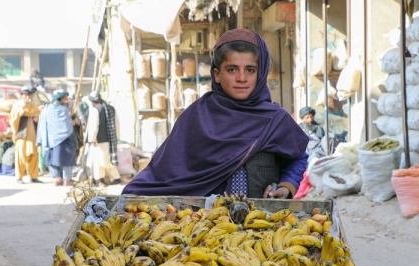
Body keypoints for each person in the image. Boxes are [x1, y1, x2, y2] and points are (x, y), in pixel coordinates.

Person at [123, 29, 308, 199]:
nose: (241, 78)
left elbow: (298, 156)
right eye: (232, 69)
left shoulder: (275, 119)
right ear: (217, 74)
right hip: (204, 224)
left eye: (250, 70)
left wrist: (285, 187)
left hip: (261, 223)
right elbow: (165, 172)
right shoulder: (196, 116)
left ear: (260, 74)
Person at [36, 91, 78, 186]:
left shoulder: (46, 110)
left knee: (52, 160)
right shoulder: (64, 110)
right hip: (66, 138)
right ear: (61, 100)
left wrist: (40, 140)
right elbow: (68, 125)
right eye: (66, 99)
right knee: (67, 160)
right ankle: (67, 180)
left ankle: (57, 178)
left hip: (51, 140)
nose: (67, 101)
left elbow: (42, 125)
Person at [85, 90, 122, 187]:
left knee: (98, 161)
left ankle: (100, 180)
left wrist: (92, 139)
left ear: (92, 101)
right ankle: (116, 178)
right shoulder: (111, 108)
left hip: (99, 140)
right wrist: (117, 137)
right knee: (109, 160)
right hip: (111, 140)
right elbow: (117, 123)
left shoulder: (95, 110)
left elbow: (94, 126)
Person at [9, 86, 42, 184]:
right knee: (21, 156)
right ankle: (19, 177)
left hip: (32, 135)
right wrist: (22, 109)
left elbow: (37, 113)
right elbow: (13, 118)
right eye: (25, 94)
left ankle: (33, 176)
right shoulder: (18, 105)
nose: (27, 97)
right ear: (22, 95)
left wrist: (36, 117)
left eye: (29, 94)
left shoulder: (33, 105)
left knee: (34, 155)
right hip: (22, 134)